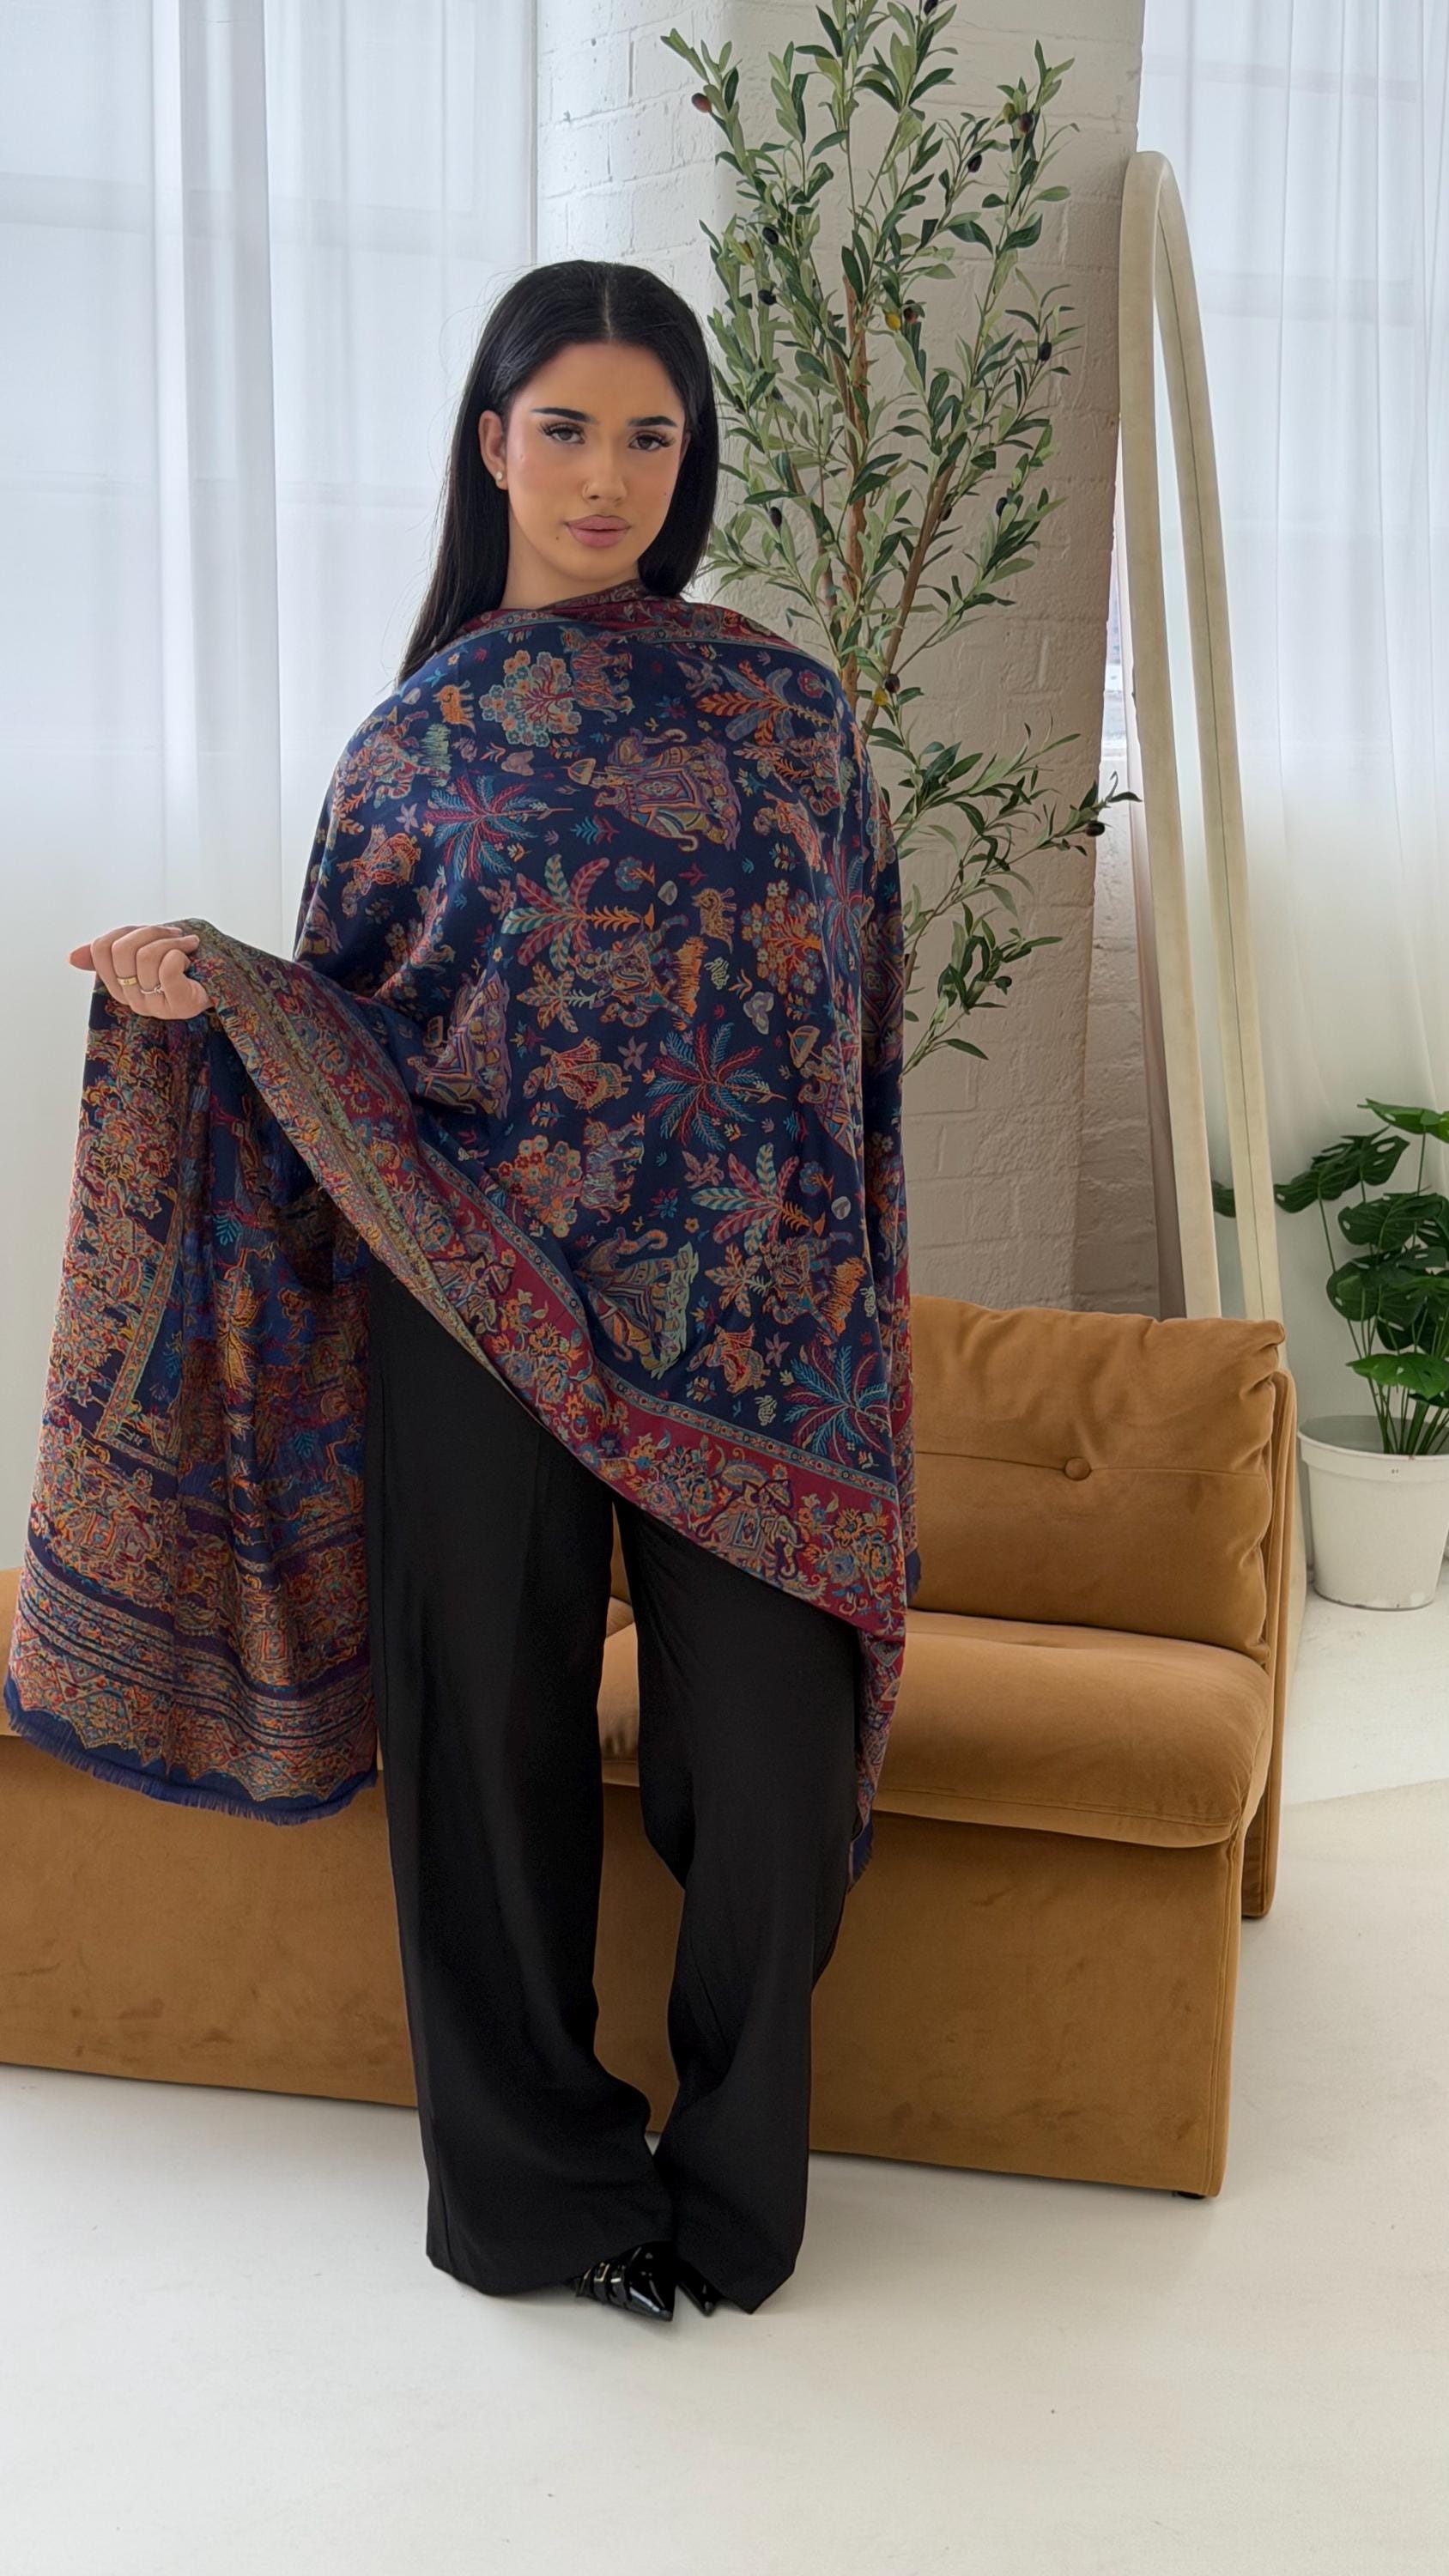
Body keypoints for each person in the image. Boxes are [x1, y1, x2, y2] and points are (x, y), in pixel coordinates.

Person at [27, 260, 917, 2324]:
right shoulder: (418, 740)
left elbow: (847, 1035)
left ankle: (734, 2183)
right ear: (490, 440)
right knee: (486, 1757)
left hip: (754, 1342)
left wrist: (853, 1292)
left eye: (652, 435)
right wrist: (214, 988)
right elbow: (365, 1040)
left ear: (689, 464)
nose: (607, 475)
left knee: (772, 1781)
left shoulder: (790, 705)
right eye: (568, 427)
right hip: (481, 1318)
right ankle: (545, 2201)